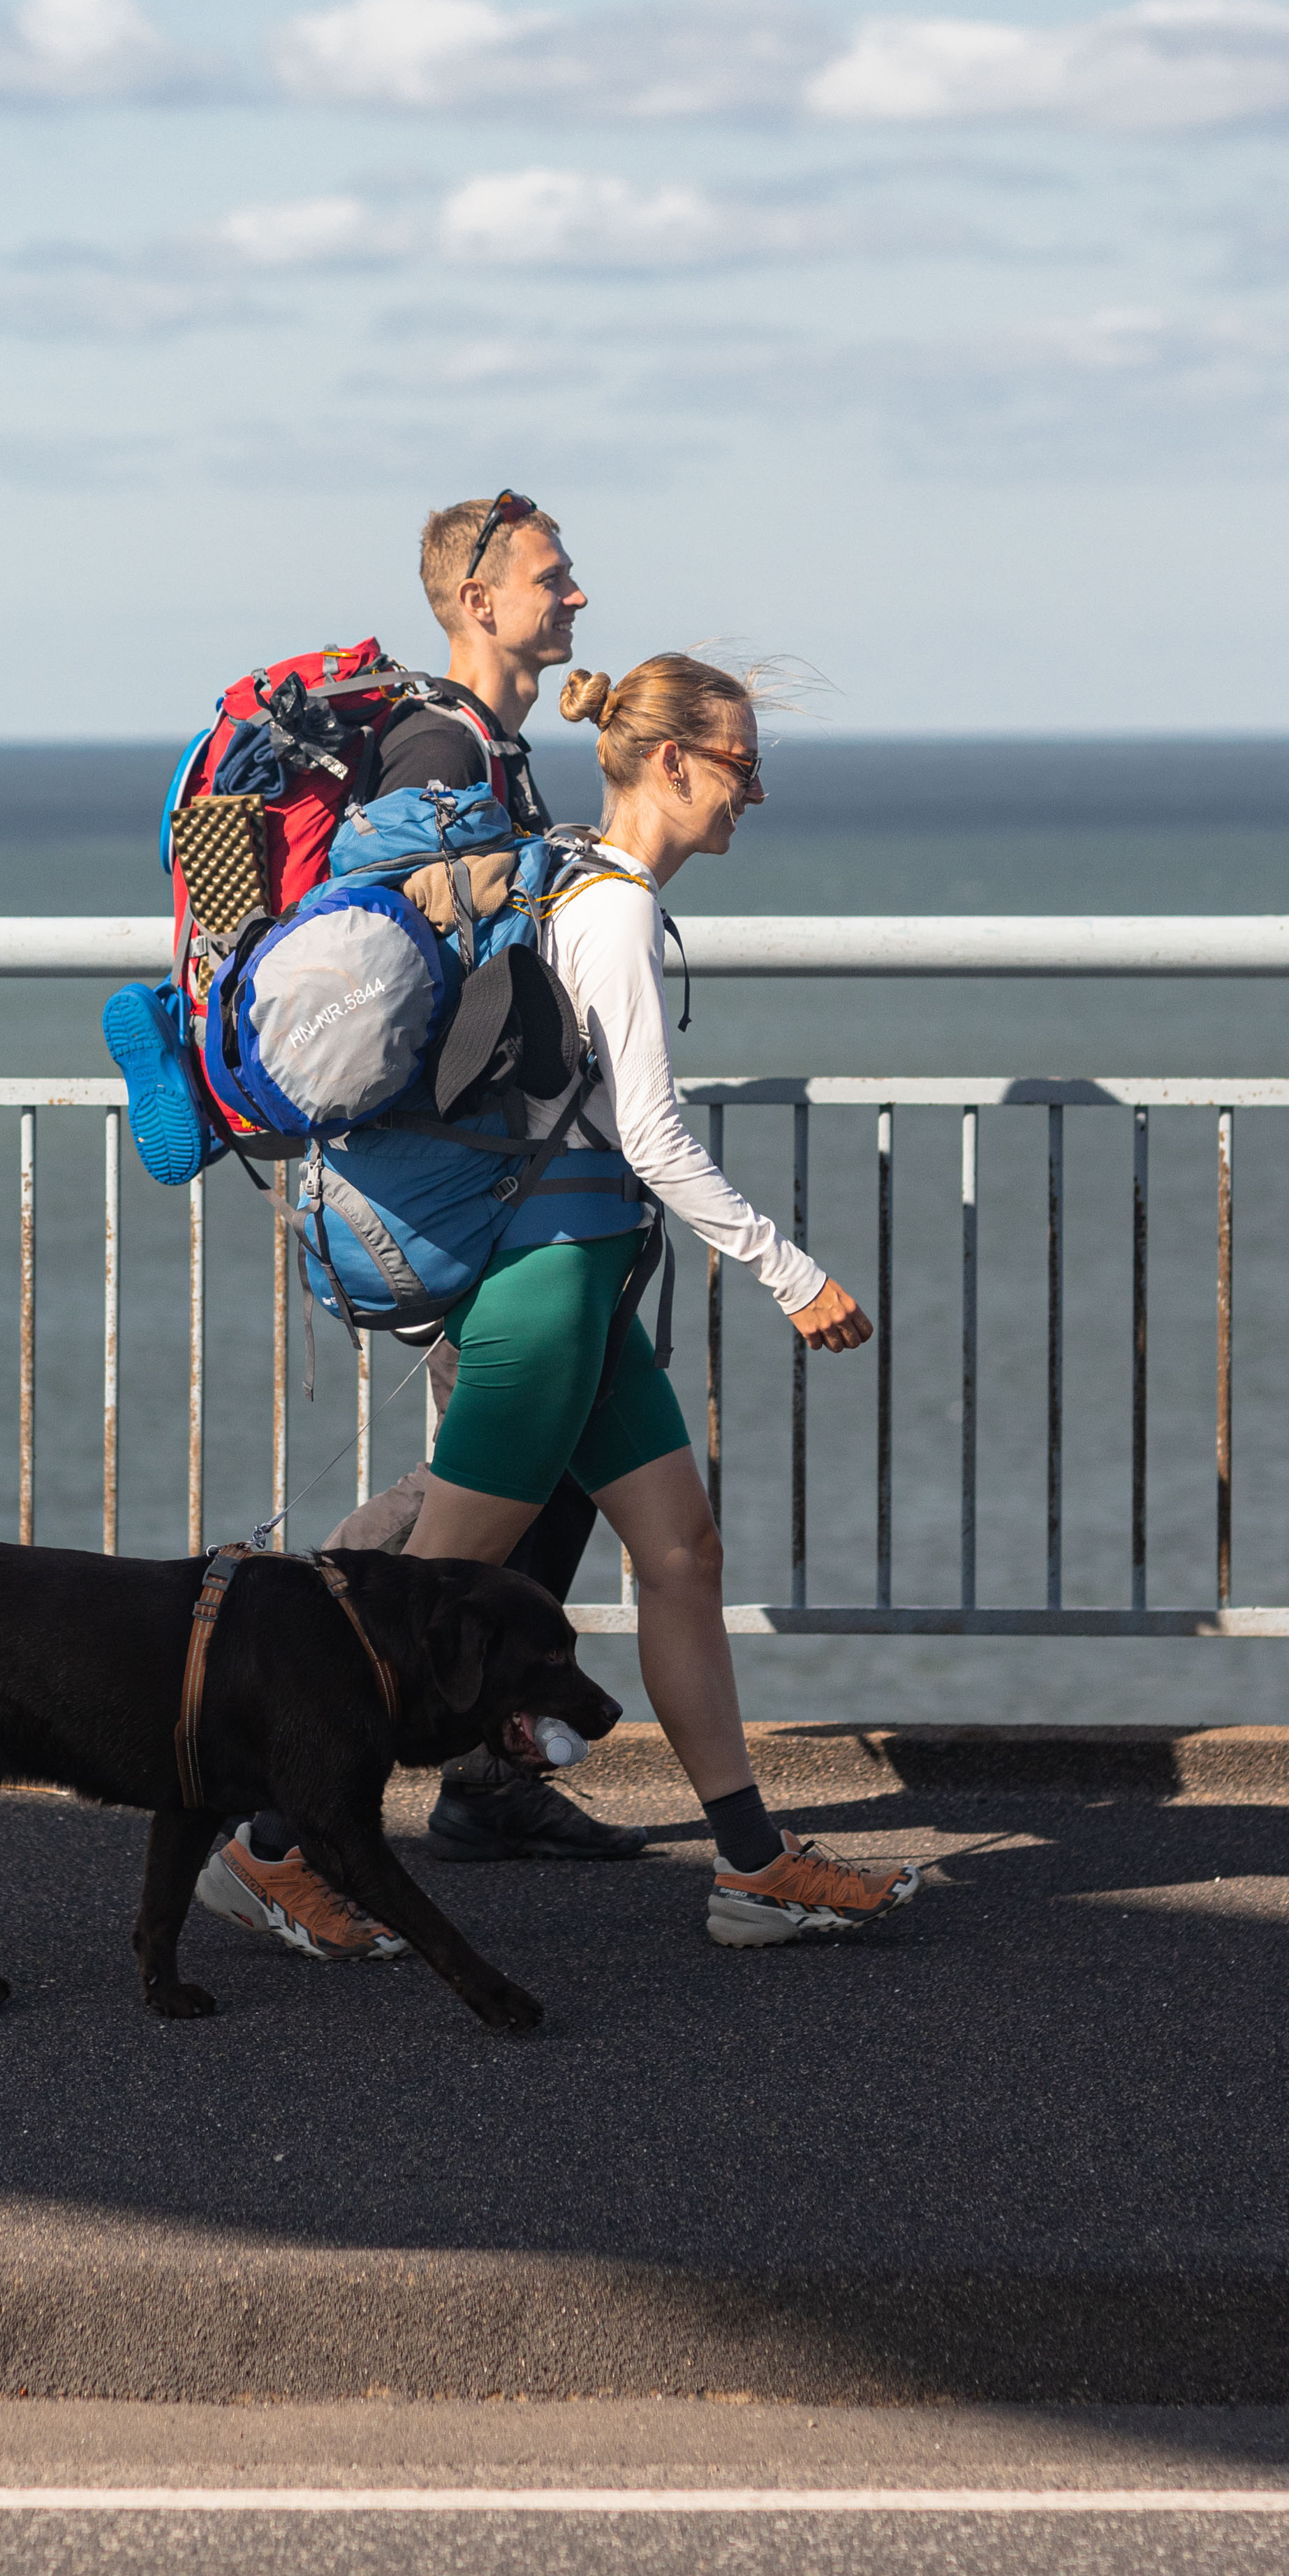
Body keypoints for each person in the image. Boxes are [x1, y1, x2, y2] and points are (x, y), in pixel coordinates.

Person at [399, 648, 920, 1947]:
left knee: (683, 1555)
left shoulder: (573, 868)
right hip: (544, 1291)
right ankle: (267, 1840)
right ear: (675, 760)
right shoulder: (616, 906)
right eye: (743, 766)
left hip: (575, 1283)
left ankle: (750, 1866)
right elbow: (654, 1137)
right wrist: (791, 1274)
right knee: (420, 1601)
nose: (755, 794)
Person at [193, 495, 648, 1972]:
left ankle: (487, 1776)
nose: (574, 591)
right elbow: (370, 980)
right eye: (547, 573)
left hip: (494, 1175)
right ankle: (279, 1773)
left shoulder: (483, 746)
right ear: (473, 594)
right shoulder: (441, 750)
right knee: (472, 1509)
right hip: (458, 1188)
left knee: (538, 1479)